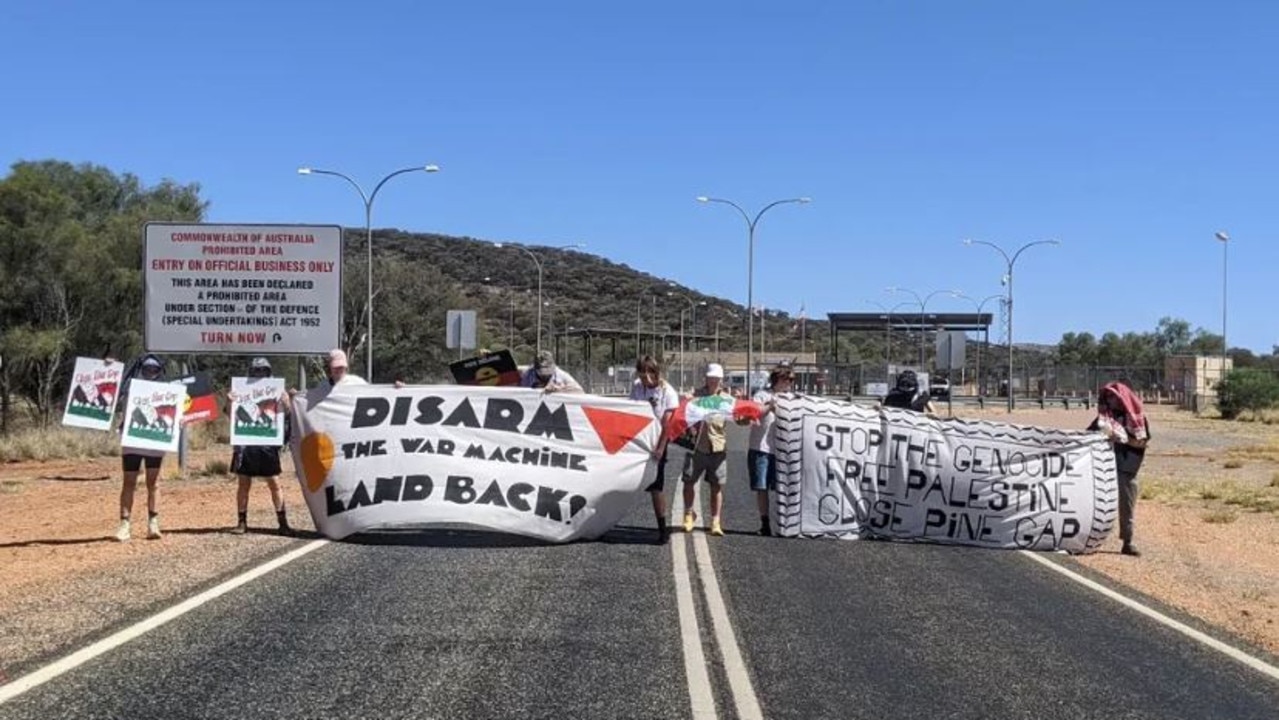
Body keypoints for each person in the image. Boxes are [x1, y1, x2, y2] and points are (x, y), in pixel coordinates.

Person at [229, 357, 291, 535]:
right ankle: (241, 522)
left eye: (263, 370)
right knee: (243, 484)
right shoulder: (240, 389)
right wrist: (229, 401)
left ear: (268, 372)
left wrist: (287, 403)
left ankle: (283, 523)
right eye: (256, 371)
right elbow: (230, 415)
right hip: (245, 446)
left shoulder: (277, 390)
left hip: (268, 445)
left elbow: (286, 414)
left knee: (274, 483)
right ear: (251, 372)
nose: (259, 374)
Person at [1090, 380, 1151, 557]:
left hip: (1126, 469)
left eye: (1114, 397)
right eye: (1108, 397)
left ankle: (1128, 541)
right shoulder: (1104, 419)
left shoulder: (1136, 418)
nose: (1110, 400)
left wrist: (1122, 437)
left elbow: (1142, 442)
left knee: (1126, 507)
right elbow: (1087, 436)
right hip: (1102, 468)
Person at [113, 353, 169, 542]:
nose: (150, 372)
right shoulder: (129, 386)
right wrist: (108, 366)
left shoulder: (167, 389)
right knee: (129, 481)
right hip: (132, 440)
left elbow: (178, 408)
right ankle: (124, 525)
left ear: (159, 371)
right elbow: (113, 383)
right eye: (147, 368)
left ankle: (153, 523)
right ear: (141, 368)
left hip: (155, 441)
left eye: (154, 369)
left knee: (154, 482)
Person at [629, 355, 679, 544]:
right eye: (643, 375)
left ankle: (662, 528)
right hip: (639, 439)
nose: (647, 379)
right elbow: (631, 411)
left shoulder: (668, 392)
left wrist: (660, 448)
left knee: (656, 486)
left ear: (657, 373)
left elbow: (667, 423)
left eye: (651, 375)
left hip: (657, 439)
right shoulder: (637, 387)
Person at [680, 363, 732, 537]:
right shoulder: (695, 396)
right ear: (706, 378)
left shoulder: (727, 399)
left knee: (716, 485)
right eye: (711, 377)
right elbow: (682, 412)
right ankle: (688, 513)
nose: (713, 381)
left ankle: (716, 521)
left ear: (721, 379)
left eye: (716, 378)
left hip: (717, 446)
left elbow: (740, 420)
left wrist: (746, 414)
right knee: (688, 481)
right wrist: (685, 400)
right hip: (696, 446)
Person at [749, 363, 795, 536]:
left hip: (784, 450)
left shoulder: (793, 398)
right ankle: (765, 522)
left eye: (791, 380)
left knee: (783, 487)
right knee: (762, 487)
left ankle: (784, 522)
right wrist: (770, 406)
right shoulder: (761, 396)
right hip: (761, 447)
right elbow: (753, 414)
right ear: (778, 379)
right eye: (787, 379)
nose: (790, 383)